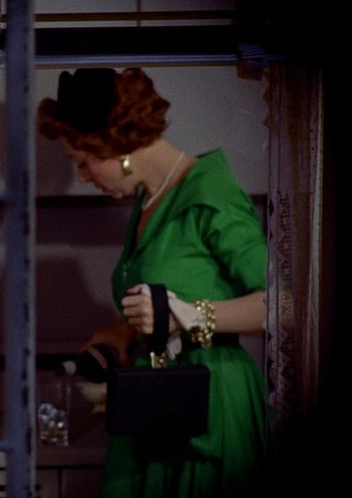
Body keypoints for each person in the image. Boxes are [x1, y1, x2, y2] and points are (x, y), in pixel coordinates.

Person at [37, 67, 267, 497]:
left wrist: (189, 316)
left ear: (115, 146)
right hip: (157, 398)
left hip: (211, 397)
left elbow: (288, 305)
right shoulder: (151, 199)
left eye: (83, 162)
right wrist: (126, 330)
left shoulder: (211, 192)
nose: (82, 176)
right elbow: (172, 296)